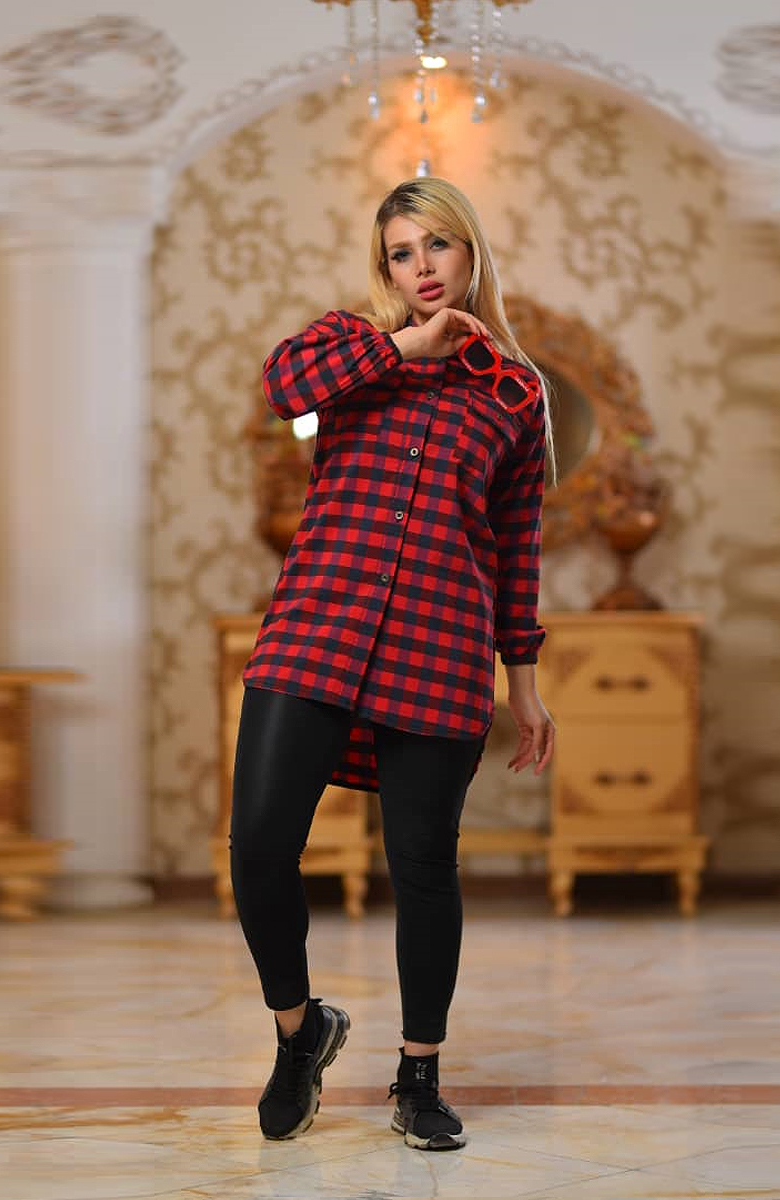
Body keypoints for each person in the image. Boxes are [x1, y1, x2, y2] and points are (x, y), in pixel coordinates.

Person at [229, 176, 556, 1152]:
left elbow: (517, 545)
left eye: (436, 246)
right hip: (316, 626)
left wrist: (524, 684)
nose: (422, 268)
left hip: (439, 642)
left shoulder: (515, 392)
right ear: (385, 269)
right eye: (401, 254)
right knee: (259, 846)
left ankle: (420, 1074)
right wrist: (405, 348)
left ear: (470, 251)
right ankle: (301, 1031)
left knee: (422, 866)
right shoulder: (347, 346)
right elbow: (280, 387)